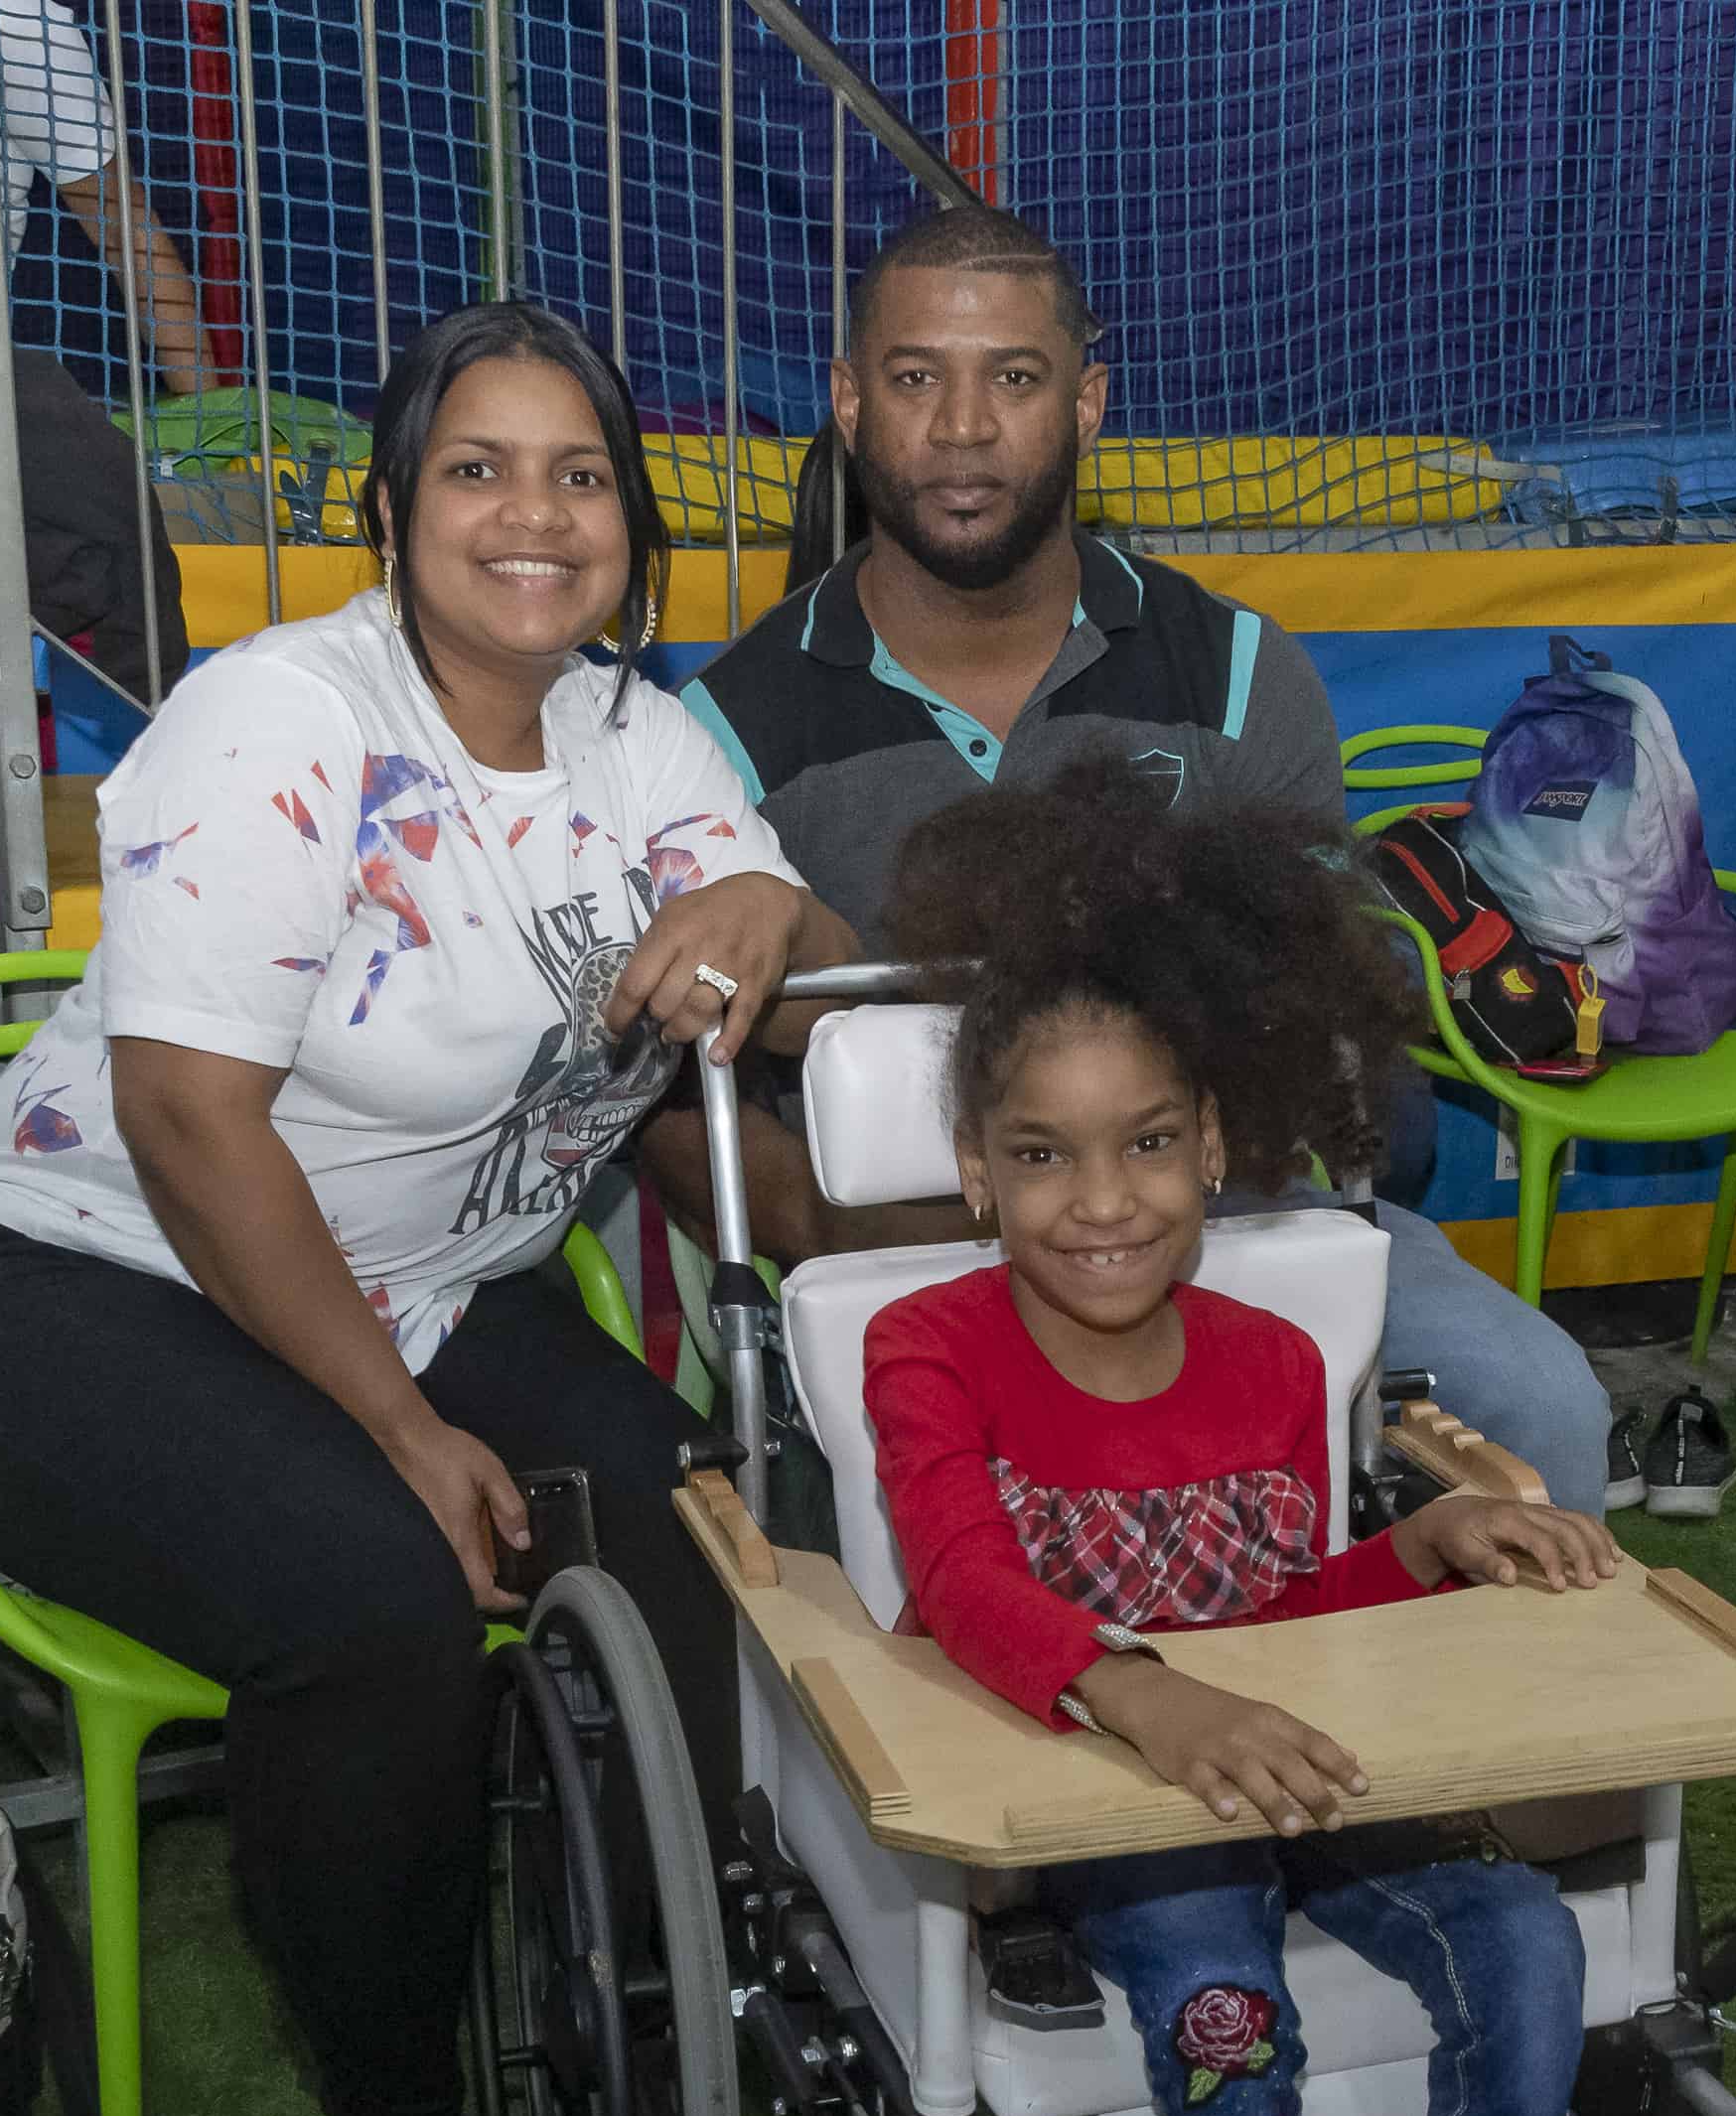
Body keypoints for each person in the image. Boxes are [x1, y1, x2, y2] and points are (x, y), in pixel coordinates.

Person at [0, 302, 830, 2116]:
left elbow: (748, 913)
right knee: (380, 1605)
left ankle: (667, 2053)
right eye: (480, 469)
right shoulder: (270, 724)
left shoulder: (638, 736)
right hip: (92, 1281)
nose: (533, 514)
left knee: (697, 1543)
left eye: (578, 473)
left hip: (426, 1281)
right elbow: (191, 1125)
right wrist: (402, 1432)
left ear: (628, 520)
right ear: (393, 507)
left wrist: (773, 894)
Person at [862, 758, 1677, 2116]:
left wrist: (1434, 1554)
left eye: (1147, 1143)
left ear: (1215, 1142)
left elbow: (1282, 1601)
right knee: (1224, 2009)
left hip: (1298, 1774)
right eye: (1043, 1155)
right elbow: (965, 1583)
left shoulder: (1262, 1350)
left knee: (1529, 1947)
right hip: (1119, 1825)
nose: (1100, 1201)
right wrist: (1148, 1708)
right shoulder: (930, 1345)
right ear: (977, 1167)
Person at [652, 201, 1613, 1511]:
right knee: (878, 1565)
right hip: (903, 1260)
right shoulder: (724, 729)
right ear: (849, 403)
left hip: (1221, 1228)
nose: (966, 426)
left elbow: (1321, 1047)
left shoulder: (1233, 673)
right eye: (916, 376)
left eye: (1018, 378)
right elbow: (664, 1103)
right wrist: (839, 1230)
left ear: (1091, 402)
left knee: (1543, 1405)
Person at [0, 0, 215, 699]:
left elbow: (126, 231)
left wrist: (218, 422)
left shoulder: (12, 22)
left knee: (80, 491)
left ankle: (150, 717)